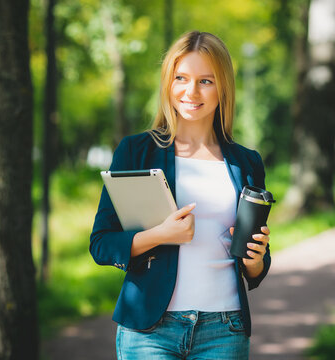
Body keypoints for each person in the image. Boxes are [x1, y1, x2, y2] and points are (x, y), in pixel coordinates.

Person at [90, 30, 271, 359]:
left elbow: (255, 266)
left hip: (224, 328)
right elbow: (102, 244)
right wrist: (161, 234)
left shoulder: (246, 162)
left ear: (223, 88)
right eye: (181, 78)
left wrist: (256, 260)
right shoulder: (136, 152)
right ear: (168, 83)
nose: (191, 91)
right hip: (150, 331)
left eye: (206, 81)